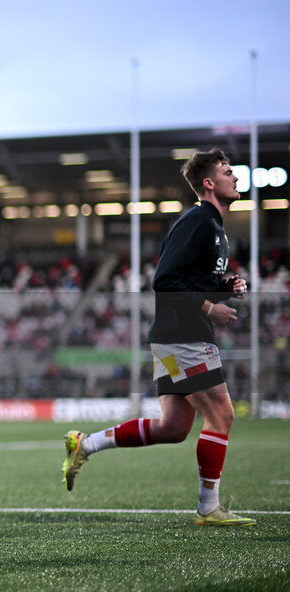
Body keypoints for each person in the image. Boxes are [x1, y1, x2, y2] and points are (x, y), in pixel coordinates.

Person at [61, 148, 255, 527]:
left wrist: (225, 286)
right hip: (184, 337)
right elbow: (163, 281)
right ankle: (208, 508)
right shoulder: (199, 220)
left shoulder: (214, 226)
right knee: (222, 414)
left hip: (175, 338)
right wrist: (208, 307)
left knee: (173, 428)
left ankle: (86, 444)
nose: (236, 176)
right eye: (228, 171)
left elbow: (191, 280)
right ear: (209, 183)